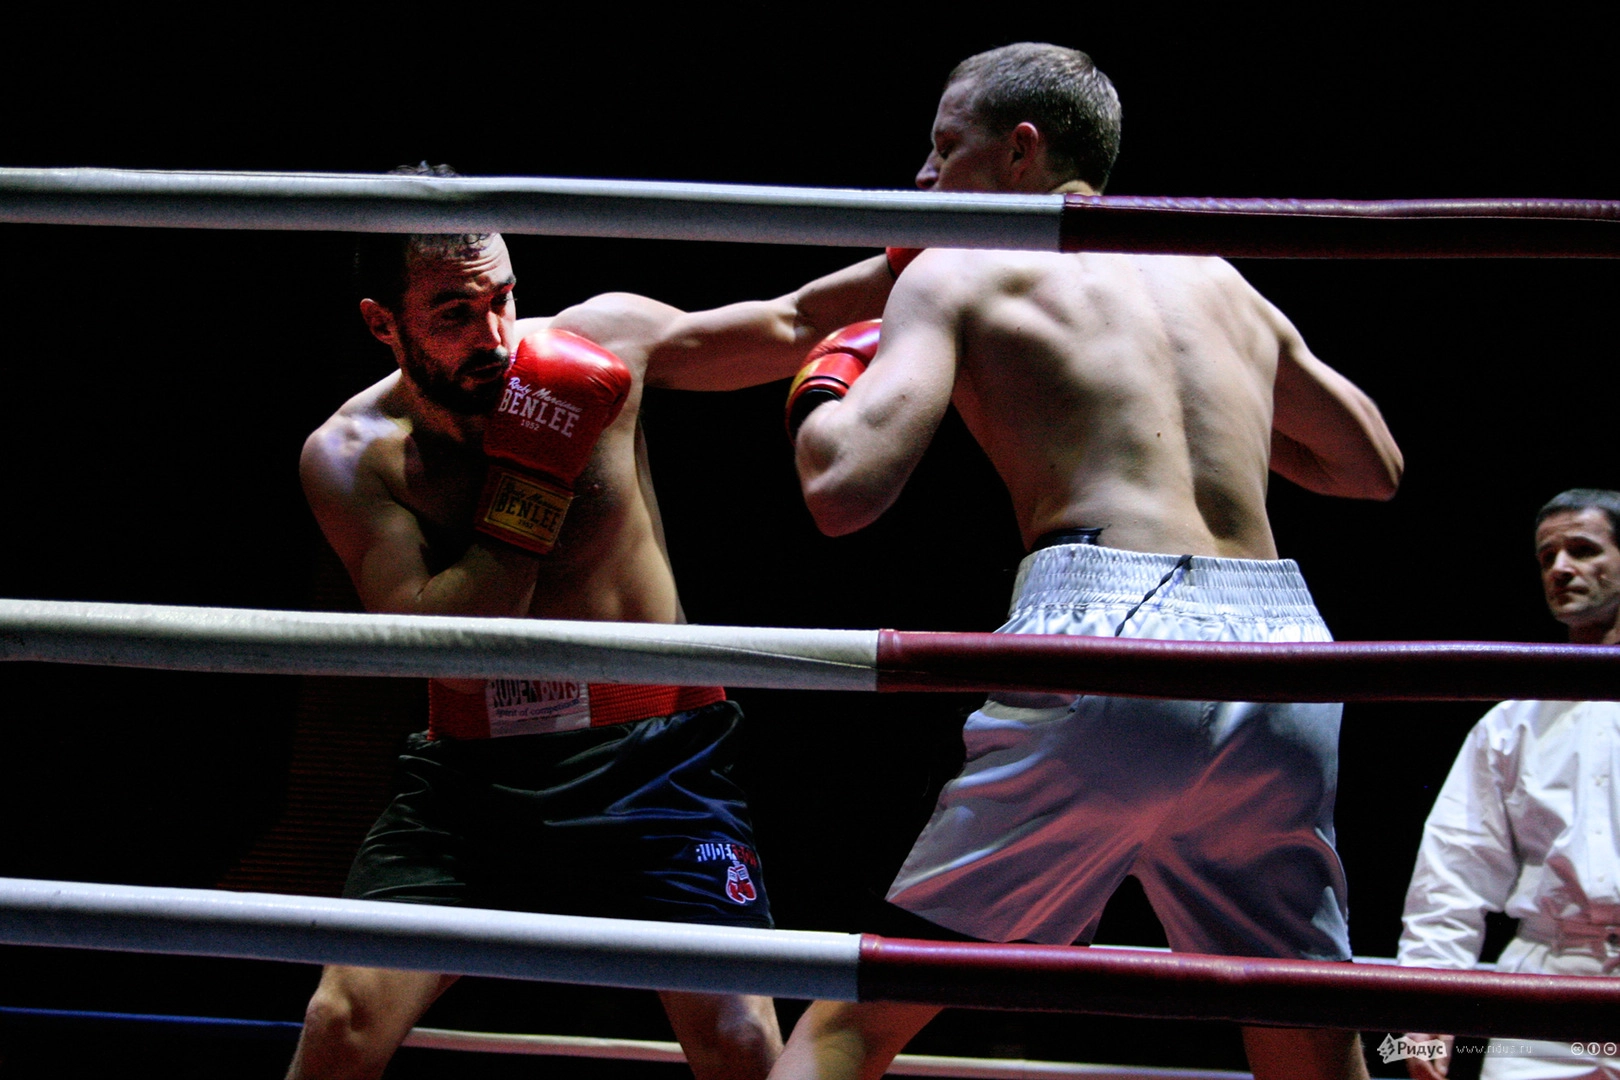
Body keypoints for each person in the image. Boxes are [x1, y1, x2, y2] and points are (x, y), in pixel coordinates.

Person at [772, 44, 1403, 1080]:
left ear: (1021, 151)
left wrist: (824, 379)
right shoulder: (1215, 275)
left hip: (1108, 627)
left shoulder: (957, 264)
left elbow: (844, 490)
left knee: (856, 1020)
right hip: (1288, 654)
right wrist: (1231, 427)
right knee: (1309, 1035)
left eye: (944, 148)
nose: (922, 178)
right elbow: (1371, 464)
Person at [290, 168, 894, 1080]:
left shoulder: (601, 340)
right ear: (384, 324)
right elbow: (456, 661)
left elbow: (796, 321)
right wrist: (532, 479)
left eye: (502, 298)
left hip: (659, 757)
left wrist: (948, 247)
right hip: (475, 780)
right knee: (340, 1024)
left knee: (738, 1038)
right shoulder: (354, 458)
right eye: (454, 313)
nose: (495, 335)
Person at [1396, 489, 1620, 1080]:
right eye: (1547, 557)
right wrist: (1426, 1008)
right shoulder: (1511, 721)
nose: (1560, 568)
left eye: (1582, 550)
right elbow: (1453, 869)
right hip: (1550, 984)